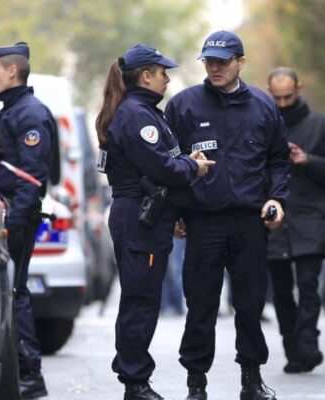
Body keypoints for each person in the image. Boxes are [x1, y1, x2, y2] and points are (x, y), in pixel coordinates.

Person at [165, 30, 290, 400]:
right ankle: (196, 385)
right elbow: (168, 165)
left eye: (222, 61)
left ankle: (251, 380)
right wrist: (176, 211)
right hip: (203, 222)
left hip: (250, 223)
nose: (215, 67)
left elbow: (278, 161)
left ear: (241, 62)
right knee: (200, 305)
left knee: (250, 305)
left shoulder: (263, 107)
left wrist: (277, 199)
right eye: (209, 61)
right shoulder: (185, 106)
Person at [95, 44, 214, 400]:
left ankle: (136, 380)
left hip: (147, 216)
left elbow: (160, 162)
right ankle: (135, 382)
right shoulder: (137, 115)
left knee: (143, 298)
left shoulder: (143, 112)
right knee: (140, 301)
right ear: (146, 75)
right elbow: (161, 167)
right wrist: (195, 166)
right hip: (139, 219)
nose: (167, 79)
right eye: (163, 73)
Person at [0, 41, 57, 399]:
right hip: (7, 214)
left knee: (14, 294)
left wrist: (11, 222)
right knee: (11, 293)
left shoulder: (29, 114)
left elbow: (31, 178)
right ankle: (21, 373)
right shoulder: (11, 112)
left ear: (12, 71)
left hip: (16, 218)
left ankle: (30, 376)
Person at [265, 67, 325, 373]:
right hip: (274, 218)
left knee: (309, 284)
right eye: (277, 97)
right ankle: (292, 349)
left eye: (288, 96)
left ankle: (308, 342)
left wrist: (306, 160)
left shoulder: (322, 126)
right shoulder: (263, 125)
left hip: (310, 214)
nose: (283, 103)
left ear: (299, 88)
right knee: (281, 291)